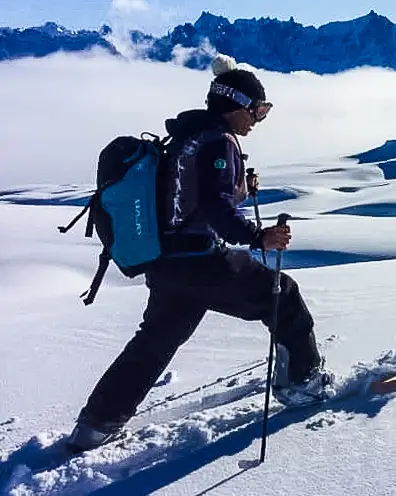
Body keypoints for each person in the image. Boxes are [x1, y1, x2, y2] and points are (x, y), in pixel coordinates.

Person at [66, 55, 335, 453]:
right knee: (284, 296)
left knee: (154, 342)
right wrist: (259, 236)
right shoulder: (219, 141)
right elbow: (215, 209)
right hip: (202, 262)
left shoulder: (188, 136)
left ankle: (95, 425)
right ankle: (303, 382)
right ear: (236, 105)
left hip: (167, 265)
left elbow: (190, 196)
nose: (257, 121)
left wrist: (239, 182)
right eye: (257, 111)